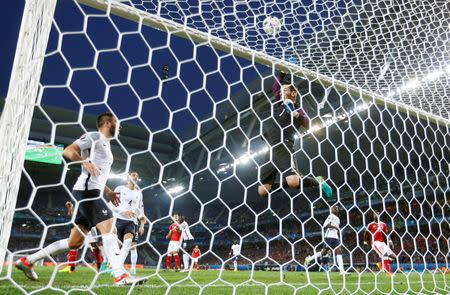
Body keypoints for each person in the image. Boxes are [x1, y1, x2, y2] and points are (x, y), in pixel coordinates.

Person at [16, 112, 145, 286]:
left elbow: (97, 174)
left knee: (74, 242)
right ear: (107, 123)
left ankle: (28, 261)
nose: (120, 126)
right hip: (87, 192)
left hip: (92, 191)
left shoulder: (106, 145)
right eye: (117, 122)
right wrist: (84, 162)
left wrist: (108, 191)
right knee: (110, 229)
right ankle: (120, 275)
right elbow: (69, 150)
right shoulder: (94, 136)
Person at [258, 72, 333, 198]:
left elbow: (308, 124)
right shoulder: (280, 103)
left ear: (293, 93)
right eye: (281, 91)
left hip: (284, 146)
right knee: (263, 191)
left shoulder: (298, 108)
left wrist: (295, 114)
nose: (281, 92)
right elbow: (275, 87)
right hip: (270, 151)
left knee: (293, 182)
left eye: (285, 90)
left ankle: (318, 182)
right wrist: (283, 72)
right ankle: (287, 183)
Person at [108, 171, 146, 274]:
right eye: (133, 175)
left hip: (131, 221)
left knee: (128, 244)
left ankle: (118, 269)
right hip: (118, 220)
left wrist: (142, 222)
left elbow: (139, 209)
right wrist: (123, 212)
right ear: (128, 177)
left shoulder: (139, 193)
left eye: (137, 175)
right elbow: (110, 205)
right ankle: (112, 265)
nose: (136, 177)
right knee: (116, 246)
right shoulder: (120, 189)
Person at [59, 201, 103, 273]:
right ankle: (71, 268)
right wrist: (70, 208)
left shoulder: (89, 201)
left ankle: (100, 267)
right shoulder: (77, 202)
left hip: (89, 226)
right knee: (73, 246)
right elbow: (72, 216)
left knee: (94, 245)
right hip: (79, 227)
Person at [304, 205, 348, 275]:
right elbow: (325, 225)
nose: (335, 209)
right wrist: (335, 227)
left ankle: (342, 271)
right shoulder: (331, 216)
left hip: (335, 237)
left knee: (339, 251)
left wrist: (336, 230)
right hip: (329, 236)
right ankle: (309, 259)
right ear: (331, 210)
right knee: (324, 252)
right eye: (334, 208)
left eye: (336, 208)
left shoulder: (338, 218)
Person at [364, 211, 397, 275]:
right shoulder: (371, 225)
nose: (377, 215)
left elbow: (386, 234)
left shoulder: (383, 224)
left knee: (394, 257)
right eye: (375, 214)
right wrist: (365, 242)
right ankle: (388, 272)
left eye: (378, 214)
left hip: (382, 243)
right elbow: (366, 233)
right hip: (375, 242)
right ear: (373, 216)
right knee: (384, 255)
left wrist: (390, 241)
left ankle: (381, 264)